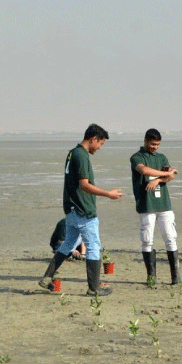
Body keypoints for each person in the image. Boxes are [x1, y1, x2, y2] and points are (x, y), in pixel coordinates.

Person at [38, 124, 123, 296]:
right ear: (93, 139)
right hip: (83, 210)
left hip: (71, 209)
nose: (99, 148)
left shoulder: (72, 153)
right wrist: (108, 194)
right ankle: (94, 288)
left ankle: (47, 277)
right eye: (100, 144)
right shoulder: (81, 156)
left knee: (69, 243)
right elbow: (84, 185)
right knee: (93, 246)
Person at [130, 128, 181, 285]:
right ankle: (151, 277)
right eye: (153, 144)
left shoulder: (162, 157)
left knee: (170, 238)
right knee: (147, 240)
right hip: (147, 204)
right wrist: (166, 173)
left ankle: (175, 277)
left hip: (164, 204)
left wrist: (157, 180)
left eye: (158, 144)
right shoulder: (136, 157)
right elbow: (144, 170)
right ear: (145, 141)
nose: (155, 147)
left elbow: (171, 175)